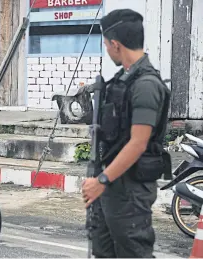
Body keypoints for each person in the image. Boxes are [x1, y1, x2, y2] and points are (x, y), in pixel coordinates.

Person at [81, 9, 171, 258]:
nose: (107, 51)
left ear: (116, 44)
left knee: (133, 253)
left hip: (130, 190)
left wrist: (101, 182)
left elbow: (138, 143)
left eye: (107, 45)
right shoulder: (122, 80)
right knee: (104, 251)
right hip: (112, 183)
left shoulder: (146, 85)